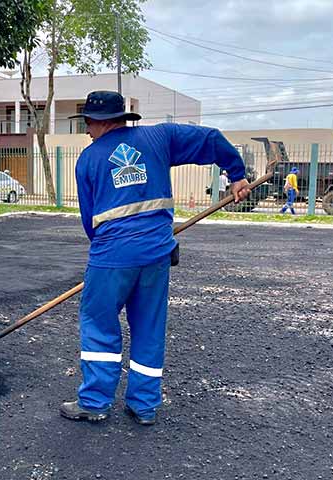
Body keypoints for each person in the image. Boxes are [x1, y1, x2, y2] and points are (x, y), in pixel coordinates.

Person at [60, 90, 249, 426]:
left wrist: (109, 257)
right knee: (149, 326)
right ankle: (144, 405)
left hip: (112, 256)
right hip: (156, 253)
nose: (87, 130)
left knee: (99, 325)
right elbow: (211, 138)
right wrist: (237, 175)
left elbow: (90, 222)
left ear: (97, 121)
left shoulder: (88, 160)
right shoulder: (161, 137)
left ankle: (94, 402)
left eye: (87, 123)